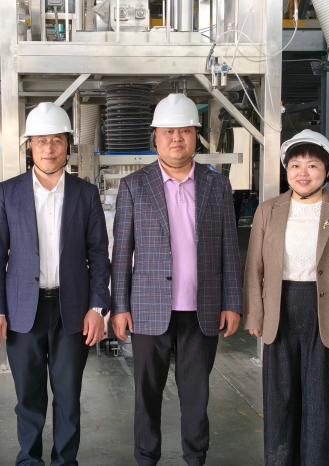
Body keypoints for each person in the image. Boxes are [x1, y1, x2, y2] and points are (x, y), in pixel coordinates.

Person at [111, 93, 243, 466]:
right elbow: (121, 252)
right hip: (149, 308)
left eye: (184, 131)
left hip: (203, 308)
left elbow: (230, 248)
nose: (176, 138)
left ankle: (195, 457)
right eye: (168, 131)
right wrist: (119, 306)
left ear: (195, 136)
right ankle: (146, 458)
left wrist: (233, 303)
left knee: (196, 395)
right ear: (155, 136)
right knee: (146, 394)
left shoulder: (217, 185)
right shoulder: (135, 186)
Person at [0, 102, 112, 466]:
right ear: (30, 146)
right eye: (41, 141)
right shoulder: (8, 193)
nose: (49, 149)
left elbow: (99, 255)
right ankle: (29, 459)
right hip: (23, 311)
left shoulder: (85, 194)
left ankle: (65, 460)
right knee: (29, 396)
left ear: (68, 144)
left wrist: (97, 307)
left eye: (56, 140)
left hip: (73, 310)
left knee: (68, 396)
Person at [243, 130, 329, 466]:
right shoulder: (268, 210)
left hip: (328, 312)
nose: (303, 173)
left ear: (327, 171)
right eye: (295, 165)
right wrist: (255, 314)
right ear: (287, 171)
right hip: (280, 308)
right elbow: (254, 267)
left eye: (312, 165)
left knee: (324, 397)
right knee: (281, 398)